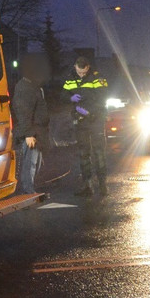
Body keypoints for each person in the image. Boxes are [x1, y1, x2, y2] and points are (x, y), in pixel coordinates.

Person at [62, 52, 109, 198]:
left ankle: (103, 185)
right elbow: (62, 95)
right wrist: (70, 98)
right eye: (79, 71)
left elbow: (103, 98)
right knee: (83, 153)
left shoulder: (97, 77)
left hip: (95, 120)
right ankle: (88, 185)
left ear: (88, 67)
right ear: (75, 67)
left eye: (83, 72)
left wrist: (89, 112)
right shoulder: (70, 78)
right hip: (80, 120)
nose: (81, 74)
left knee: (99, 152)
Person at [11, 54, 50, 194]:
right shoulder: (24, 87)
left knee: (36, 163)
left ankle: (29, 188)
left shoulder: (33, 86)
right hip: (31, 133)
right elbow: (23, 113)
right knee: (30, 164)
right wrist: (28, 134)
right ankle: (28, 191)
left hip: (37, 132)